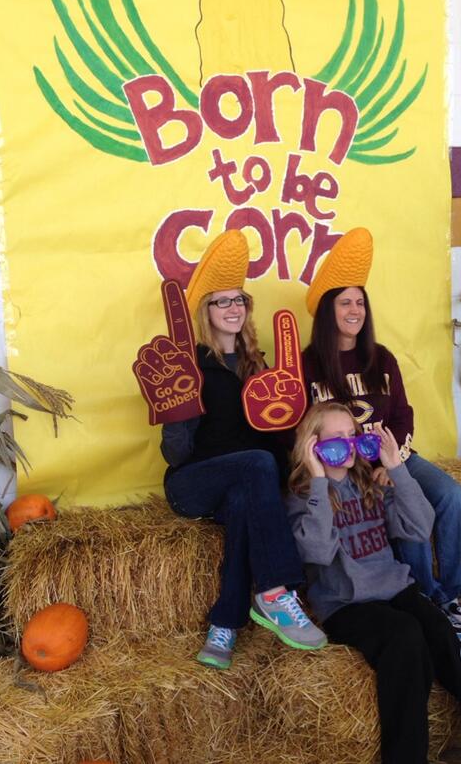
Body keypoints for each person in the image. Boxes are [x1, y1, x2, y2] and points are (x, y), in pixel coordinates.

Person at [286, 401, 461, 764]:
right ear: (312, 446)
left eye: (353, 435)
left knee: (447, 636)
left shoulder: (370, 482)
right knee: (405, 637)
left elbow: (420, 527)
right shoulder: (303, 498)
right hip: (348, 605)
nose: (348, 445)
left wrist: (396, 469)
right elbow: (315, 551)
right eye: (336, 438)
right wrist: (317, 480)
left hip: (396, 587)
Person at [161, 229, 327, 670]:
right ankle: (274, 591)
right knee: (255, 468)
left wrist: (298, 421)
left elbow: (274, 443)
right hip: (193, 482)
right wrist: (174, 411)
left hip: (243, 484)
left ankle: (225, 624)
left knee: (247, 497)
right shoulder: (189, 365)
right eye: (223, 301)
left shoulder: (260, 367)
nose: (234, 309)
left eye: (240, 301)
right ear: (205, 310)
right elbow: (177, 456)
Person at [302, 227, 461, 630]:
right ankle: (423, 594)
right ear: (328, 310)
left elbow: (402, 414)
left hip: (390, 455)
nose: (355, 311)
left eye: (360, 303)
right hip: (344, 468)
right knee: (398, 503)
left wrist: (393, 462)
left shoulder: (381, 358)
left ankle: (452, 595)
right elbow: (302, 426)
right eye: (345, 302)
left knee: (448, 493)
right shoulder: (307, 364)